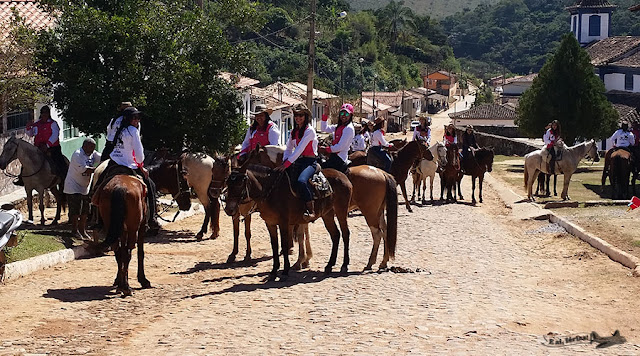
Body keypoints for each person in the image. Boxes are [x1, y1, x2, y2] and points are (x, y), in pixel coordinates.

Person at [99, 107, 160, 234]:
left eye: (138, 118)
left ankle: (97, 213)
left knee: (100, 181)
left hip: (114, 161)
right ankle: (152, 218)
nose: (137, 120)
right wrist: (141, 165)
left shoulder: (117, 125)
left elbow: (110, 140)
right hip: (129, 164)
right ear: (128, 118)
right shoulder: (133, 130)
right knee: (151, 185)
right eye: (134, 118)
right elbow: (139, 153)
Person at [274, 103, 319, 222]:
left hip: (310, 162)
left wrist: (286, 164)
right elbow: (289, 148)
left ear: (305, 116)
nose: (298, 118)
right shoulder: (294, 131)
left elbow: (299, 150)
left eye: (301, 115)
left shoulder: (310, 131)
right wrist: (284, 160)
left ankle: (311, 210)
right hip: (298, 161)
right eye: (296, 115)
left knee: (301, 181)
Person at [16, 105, 67, 186]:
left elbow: (55, 135)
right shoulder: (37, 124)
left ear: (49, 114)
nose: (44, 115)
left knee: (60, 163)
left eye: (46, 113)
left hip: (52, 148)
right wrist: (28, 127)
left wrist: (47, 145)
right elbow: (30, 134)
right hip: (38, 148)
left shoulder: (53, 124)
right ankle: (21, 178)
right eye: (43, 113)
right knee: (27, 161)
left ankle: (63, 177)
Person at [64, 138, 101, 239]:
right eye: (91, 148)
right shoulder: (77, 154)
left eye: (94, 148)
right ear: (85, 146)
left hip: (85, 187)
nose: (92, 150)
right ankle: (74, 230)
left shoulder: (93, 154)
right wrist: (98, 169)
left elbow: (102, 159)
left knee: (85, 210)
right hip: (73, 186)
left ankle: (82, 230)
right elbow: (86, 170)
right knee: (75, 211)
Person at [320, 103, 355, 173]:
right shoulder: (339, 126)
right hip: (334, 155)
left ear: (351, 115)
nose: (344, 116)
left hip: (340, 158)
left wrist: (325, 149)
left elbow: (340, 147)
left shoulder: (349, 128)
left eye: (347, 114)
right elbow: (324, 128)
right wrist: (325, 115)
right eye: (342, 113)